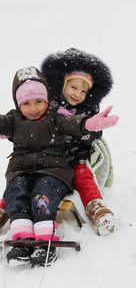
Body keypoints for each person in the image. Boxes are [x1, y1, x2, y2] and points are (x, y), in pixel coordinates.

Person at [0, 66, 118, 267]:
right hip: (21, 172)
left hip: (53, 172)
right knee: (16, 192)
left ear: (46, 100)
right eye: (27, 103)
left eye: (39, 101)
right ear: (18, 104)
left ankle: (44, 238)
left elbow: (73, 123)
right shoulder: (13, 120)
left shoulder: (55, 117)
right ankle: (22, 237)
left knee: (43, 193)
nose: (33, 108)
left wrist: (89, 124)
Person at [41, 47, 116, 236]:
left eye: (84, 91)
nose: (78, 94)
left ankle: (96, 207)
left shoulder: (88, 109)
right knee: (27, 178)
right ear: (62, 85)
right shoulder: (49, 105)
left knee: (83, 177)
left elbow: (95, 133)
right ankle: (2, 210)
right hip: (49, 157)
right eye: (73, 87)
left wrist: (90, 128)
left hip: (76, 156)